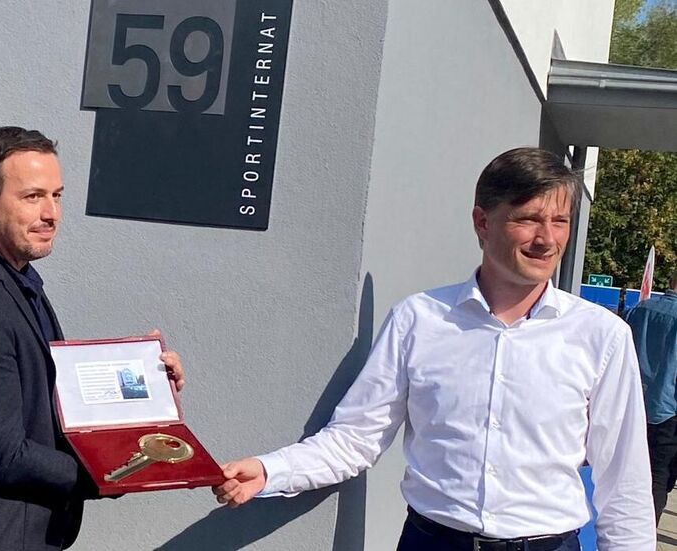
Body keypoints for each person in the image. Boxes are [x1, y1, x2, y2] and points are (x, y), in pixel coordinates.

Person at [214, 147, 655, 550]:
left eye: (559, 221)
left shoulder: (602, 336)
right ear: (482, 222)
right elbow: (354, 439)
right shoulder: (419, 320)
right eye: (527, 219)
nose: (547, 239)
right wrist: (271, 470)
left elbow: (624, 480)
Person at [0, 126, 184, 551]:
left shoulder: (17, 280)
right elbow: (2, 455)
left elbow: (53, 404)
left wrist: (146, 386)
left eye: (57, 195)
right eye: (33, 197)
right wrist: (117, 469)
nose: (51, 213)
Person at [626, 270, 677, 524]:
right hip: (667, 412)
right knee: (659, 477)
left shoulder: (638, 310)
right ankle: (644, 534)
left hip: (632, 406)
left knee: (630, 473)